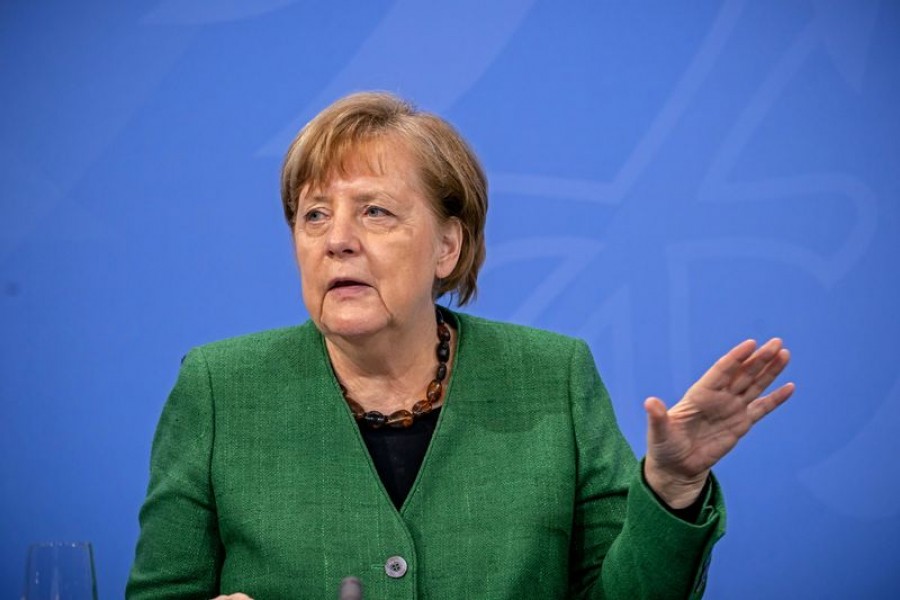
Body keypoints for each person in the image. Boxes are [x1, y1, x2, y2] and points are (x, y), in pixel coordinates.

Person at [126, 92, 794, 600]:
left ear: (450, 246)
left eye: (376, 211)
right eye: (314, 214)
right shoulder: (219, 387)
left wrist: (672, 486)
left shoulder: (553, 376)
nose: (337, 239)